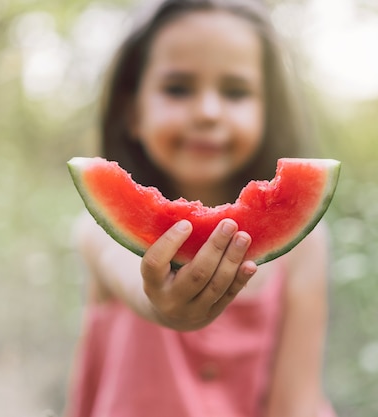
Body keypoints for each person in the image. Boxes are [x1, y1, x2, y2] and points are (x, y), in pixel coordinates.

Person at [65, 0, 337, 416]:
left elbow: (294, 403)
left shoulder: (305, 247)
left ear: (267, 109)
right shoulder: (98, 231)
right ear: (132, 111)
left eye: (236, 91)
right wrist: (158, 301)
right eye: (177, 88)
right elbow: (124, 270)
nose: (208, 112)